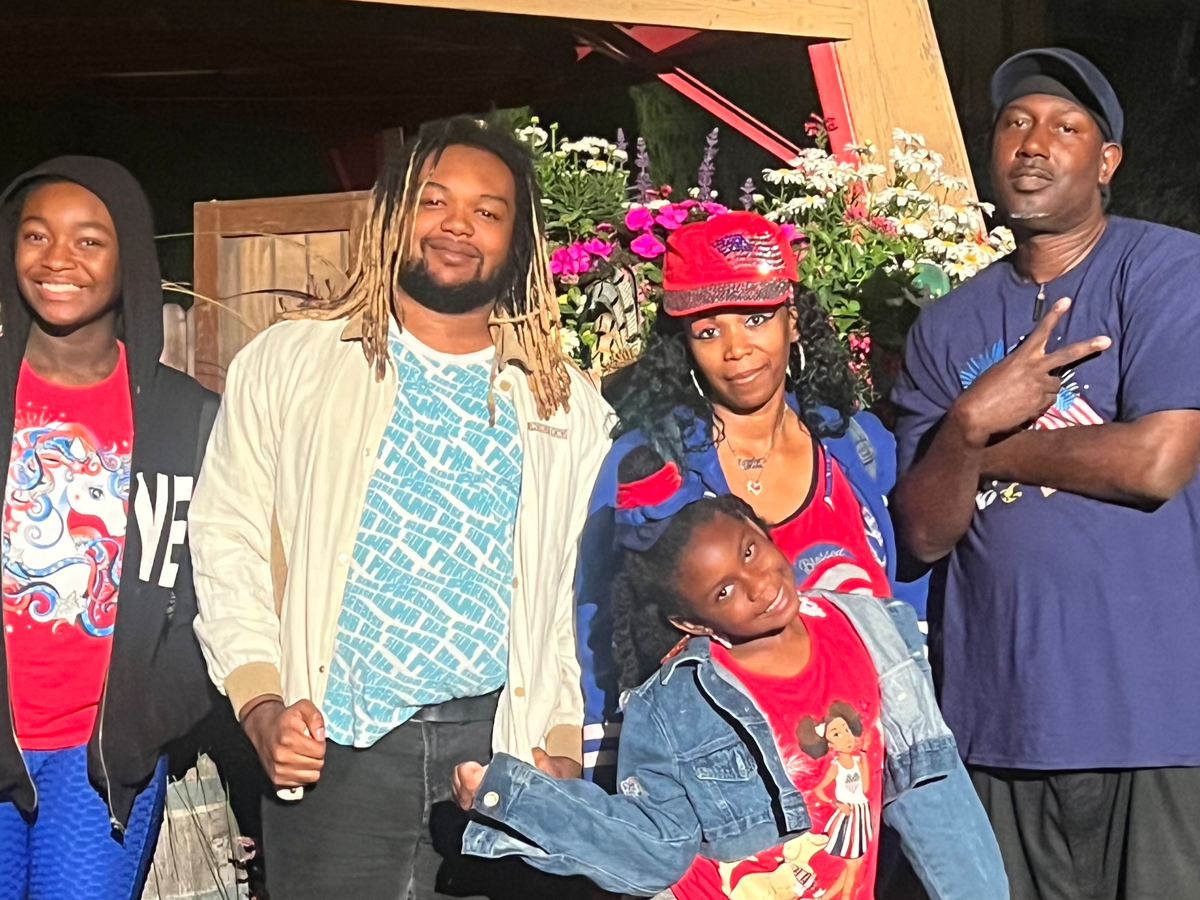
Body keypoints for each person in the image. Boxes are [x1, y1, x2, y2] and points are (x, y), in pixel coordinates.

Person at [189, 116, 612, 900]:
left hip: (498, 752)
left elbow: (566, 594)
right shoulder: (292, 366)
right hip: (336, 750)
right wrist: (260, 703)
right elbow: (228, 538)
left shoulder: (563, 405)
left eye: (488, 211)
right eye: (434, 200)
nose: (458, 224)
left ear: (519, 241)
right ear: (392, 216)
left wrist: (557, 741)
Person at [892, 48, 1200, 899]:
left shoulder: (1167, 270)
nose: (1034, 143)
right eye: (1015, 124)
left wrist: (980, 442)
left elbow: (1156, 462)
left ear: (1106, 163)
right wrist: (963, 423)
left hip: (1157, 716)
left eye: (1066, 128)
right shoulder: (946, 325)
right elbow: (923, 532)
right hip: (1002, 721)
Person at [451, 447, 1005, 900]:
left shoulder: (871, 628)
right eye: (723, 592)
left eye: (750, 551)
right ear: (691, 622)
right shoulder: (670, 705)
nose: (758, 585)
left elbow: (931, 783)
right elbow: (653, 846)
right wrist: (514, 797)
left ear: (760, 530)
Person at [578, 212, 927, 788]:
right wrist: (610, 777)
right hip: (727, 797)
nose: (736, 349)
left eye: (757, 318)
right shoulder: (651, 468)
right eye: (708, 331)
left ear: (795, 321)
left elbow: (907, 608)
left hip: (863, 783)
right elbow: (603, 620)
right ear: (683, 345)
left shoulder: (858, 450)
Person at [0, 157, 218, 899]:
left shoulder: (185, 418)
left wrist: (147, 718)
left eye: (88, 240)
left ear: (129, 258)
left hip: (97, 762)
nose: (57, 259)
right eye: (36, 235)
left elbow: (217, 593)